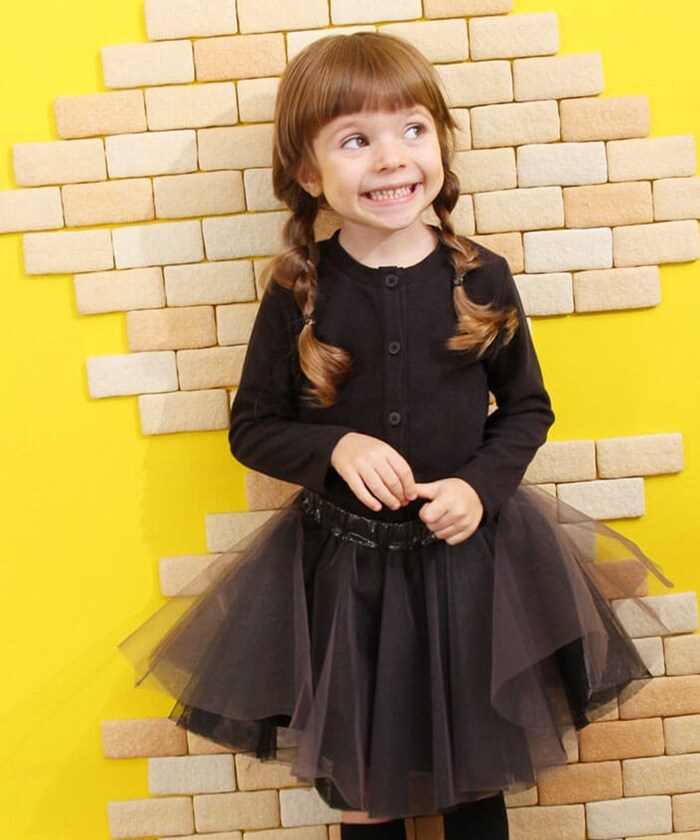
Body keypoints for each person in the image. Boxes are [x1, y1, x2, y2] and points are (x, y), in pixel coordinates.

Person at [121, 32, 669, 839]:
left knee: (476, 774)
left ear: (440, 143)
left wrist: (479, 488)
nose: (391, 158)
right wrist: (335, 448)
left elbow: (528, 408)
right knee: (367, 786)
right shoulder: (298, 289)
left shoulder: (480, 276)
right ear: (309, 173)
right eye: (355, 140)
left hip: (472, 566)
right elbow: (253, 427)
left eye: (412, 129)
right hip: (350, 582)